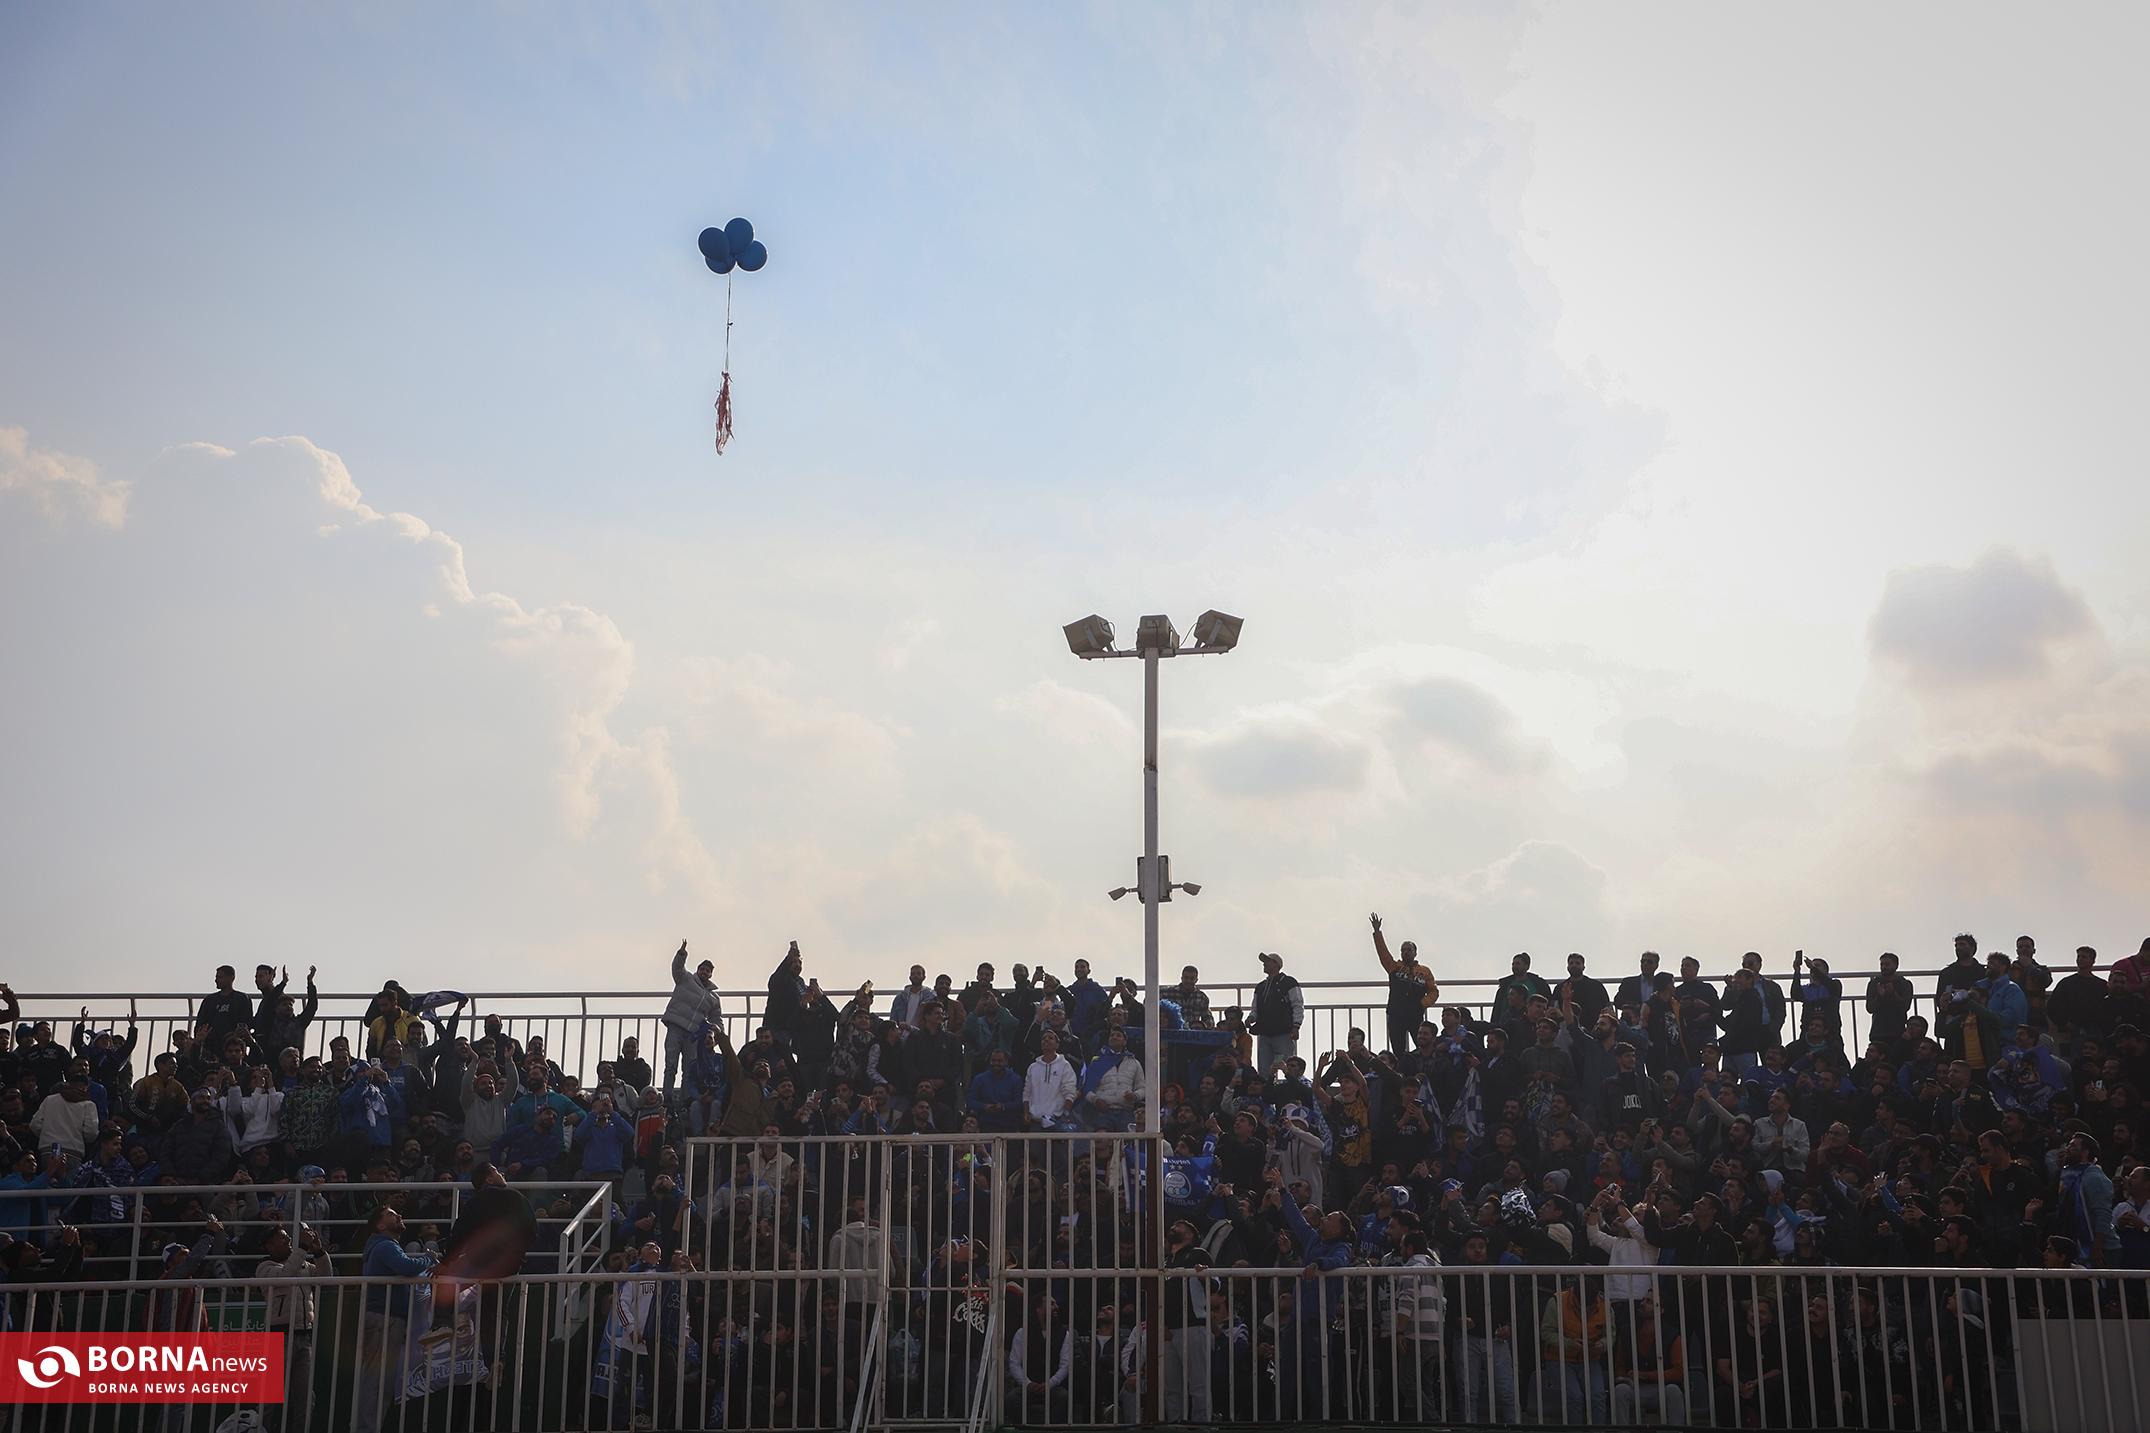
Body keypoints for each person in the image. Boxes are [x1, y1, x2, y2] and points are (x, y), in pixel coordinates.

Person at [355, 1205, 434, 1433]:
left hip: (386, 1318)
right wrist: (428, 1259)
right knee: (376, 1380)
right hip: (384, 1318)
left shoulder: (384, 1245)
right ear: (380, 1225)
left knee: (383, 1382)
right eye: (391, 1214)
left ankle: (369, 1427)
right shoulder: (384, 1245)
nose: (399, 1215)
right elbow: (406, 1266)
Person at [256, 1223, 331, 1430]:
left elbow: (326, 1277)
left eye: (287, 1236)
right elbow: (286, 1277)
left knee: (305, 1397)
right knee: (269, 1397)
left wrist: (318, 1251)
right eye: (282, 1237)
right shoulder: (264, 1267)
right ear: (269, 1246)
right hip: (277, 1337)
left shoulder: (303, 1264)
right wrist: (302, 1248)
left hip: (304, 1337)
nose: (289, 1239)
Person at [1371, 912, 1439, 1055]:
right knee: (1398, 1050)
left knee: (1422, 1046)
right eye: (1403, 950)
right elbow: (1383, 954)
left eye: (1409, 950)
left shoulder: (1424, 971)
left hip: (1415, 1013)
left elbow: (1433, 991)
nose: (1406, 952)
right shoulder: (1394, 967)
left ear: (1415, 952)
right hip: (1396, 1014)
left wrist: (1422, 1003)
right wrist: (1377, 932)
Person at [662, 939, 722, 1094]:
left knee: (689, 1068)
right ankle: (667, 1096)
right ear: (697, 970)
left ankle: (685, 1099)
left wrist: (716, 1032)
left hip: (693, 1034)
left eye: (707, 970)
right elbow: (677, 968)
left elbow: (716, 1019)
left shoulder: (713, 998)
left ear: (711, 974)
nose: (704, 972)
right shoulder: (686, 978)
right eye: (702, 969)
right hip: (676, 1026)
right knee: (671, 1065)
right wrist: (682, 953)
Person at [1250, 951, 1304, 1073]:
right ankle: (1268, 1086)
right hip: (1265, 1034)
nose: (1264, 964)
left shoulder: (1289, 982)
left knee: (1289, 1067)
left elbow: (1297, 1004)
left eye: (1267, 961)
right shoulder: (1261, 986)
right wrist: (1251, 1018)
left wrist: (1296, 1026)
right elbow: (1255, 1008)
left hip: (1283, 1033)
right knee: (1264, 1070)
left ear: (1276, 964)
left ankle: (1291, 1085)